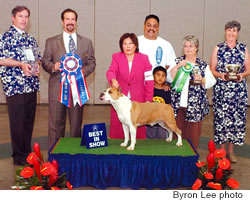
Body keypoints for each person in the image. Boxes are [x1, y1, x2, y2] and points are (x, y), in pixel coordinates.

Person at [42, 8, 96, 149]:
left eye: (73, 19)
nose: (70, 22)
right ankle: (54, 156)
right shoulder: (51, 42)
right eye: (67, 19)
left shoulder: (87, 42)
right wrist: (54, 66)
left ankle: (74, 156)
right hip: (57, 90)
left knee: (76, 127)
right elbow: (44, 62)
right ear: (62, 21)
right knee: (56, 125)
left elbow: (92, 62)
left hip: (78, 89)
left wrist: (82, 72)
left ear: (76, 22)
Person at [0, 5, 40, 165]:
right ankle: (18, 156)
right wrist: (20, 65)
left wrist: (36, 67)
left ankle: (27, 152)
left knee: (29, 121)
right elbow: (1, 59)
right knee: (18, 121)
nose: (24, 19)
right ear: (13, 18)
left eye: (26, 16)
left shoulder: (30, 39)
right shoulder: (5, 37)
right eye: (21, 16)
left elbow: (37, 58)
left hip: (31, 86)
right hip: (15, 86)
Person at [210, 21, 250, 163]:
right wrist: (221, 75)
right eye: (229, 30)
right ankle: (221, 150)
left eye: (234, 31)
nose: (231, 33)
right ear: (225, 31)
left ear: (238, 33)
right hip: (222, 90)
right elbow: (212, 69)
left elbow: (248, 69)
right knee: (221, 120)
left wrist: (241, 76)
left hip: (238, 92)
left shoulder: (243, 48)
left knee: (234, 121)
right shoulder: (218, 48)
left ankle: (231, 151)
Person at [170, 35, 216, 150]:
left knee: (193, 137)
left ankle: (191, 162)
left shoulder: (203, 65)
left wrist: (202, 80)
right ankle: (176, 161)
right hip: (178, 105)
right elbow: (169, 78)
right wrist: (178, 66)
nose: (188, 48)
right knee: (177, 135)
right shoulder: (177, 61)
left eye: (191, 46)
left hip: (196, 107)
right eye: (185, 46)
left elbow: (212, 81)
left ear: (196, 48)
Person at [106, 33, 154, 139]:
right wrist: (113, 79)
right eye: (125, 43)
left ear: (135, 45)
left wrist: (148, 99)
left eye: (131, 43)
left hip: (139, 98)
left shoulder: (144, 58)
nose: (128, 46)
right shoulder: (116, 57)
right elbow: (111, 71)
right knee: (118, 125)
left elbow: (149, 80)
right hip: (120, 99)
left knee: (138, 126)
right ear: (121, 46)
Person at [138, 14, 176, 83]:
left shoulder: (166, 45)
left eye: (155, 26)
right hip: (137, 85)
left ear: (158, 28)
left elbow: (170, 68)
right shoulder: (135, 42)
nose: (151, 28)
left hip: (158, 87)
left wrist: (166, 83)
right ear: (144, 26)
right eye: (149, 25)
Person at [146, 66, 171, 139]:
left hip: (162, 121)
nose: (160, 77)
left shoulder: (166, 90)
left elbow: (168, 105)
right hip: (149, 121)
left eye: (163, 76)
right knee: (149, 139)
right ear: (153, 76)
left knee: (162, 140)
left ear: (165, 78)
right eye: (158, 75)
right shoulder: (149, 90)